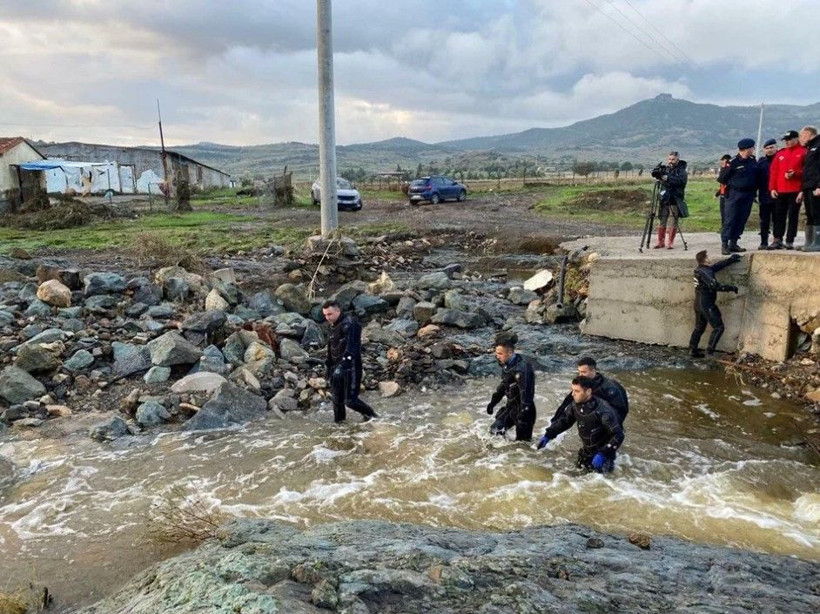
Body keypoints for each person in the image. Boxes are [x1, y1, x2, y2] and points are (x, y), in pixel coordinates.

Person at [537, 376, 625, 473]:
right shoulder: (574, 406)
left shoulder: (604, 411)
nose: (573, 394)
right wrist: (548, 435)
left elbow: (618, 435)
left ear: (588, 392)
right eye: (572, 390)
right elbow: (564, 422)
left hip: (604, 457)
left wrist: (603, 453)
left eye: (577, 391)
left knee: (600, 481)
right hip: (586, 453)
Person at [322, 300, 378, 423]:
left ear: (338, 310)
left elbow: (353, 347)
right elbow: (331, 347)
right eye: (325, 315)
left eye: (329, 314)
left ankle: (374, 417)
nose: (327, 318)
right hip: (336, 366)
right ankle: (340, 427)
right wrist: (329, 365)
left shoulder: (351, 323)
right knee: (337, 401)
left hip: (351, 367)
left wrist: (343, 365)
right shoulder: (332, 326)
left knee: (350, 401)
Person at [688, 250, 741, 358]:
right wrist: (730, 288)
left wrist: (730, 260)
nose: (710, 257)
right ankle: (709, 352)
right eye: (708, 256)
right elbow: (714, 285)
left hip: (698, 303)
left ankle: (692, 350)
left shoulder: (699, 270)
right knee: (719, 327)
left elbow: (716, 267)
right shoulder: (706, 272)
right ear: (705, 259)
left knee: (699, 327)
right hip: (707, 304)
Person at [486, 331, 536, 441]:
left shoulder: (523, 368)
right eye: (496, 353)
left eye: (500, 354)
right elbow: (503, 386)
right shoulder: (507, 365)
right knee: (494, 431)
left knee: (523, 446)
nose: (497, 356)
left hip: (525, 412)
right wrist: (492, 403)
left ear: (510, 352)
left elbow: (527, 394)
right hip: (511, 408)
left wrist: (524, 413)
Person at [549, 356, 628, 426]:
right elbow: (566, 404)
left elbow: (621, 410)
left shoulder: (610, 387)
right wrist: (554, 421)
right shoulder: (581, 384)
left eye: (583, 372)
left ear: (593, 371)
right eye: (579, 372)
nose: (580, 375)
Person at [719, 138, 758, 254]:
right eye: (752, 148)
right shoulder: (733, 162)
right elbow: (722, 178)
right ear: (745, 149)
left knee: (741, 219)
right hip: (734, 194)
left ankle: (734, 243)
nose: (753, 149)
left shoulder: (752, 160)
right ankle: (725, 244)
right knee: (730, 219)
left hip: (748, 194)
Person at [769, 130, 806, 250]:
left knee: (793, 215)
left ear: (796, 139)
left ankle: (790, 240)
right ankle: (777, 239)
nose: (787, 142)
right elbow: (774, 172)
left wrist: (796, 174)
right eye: (786, 140)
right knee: (779, 215)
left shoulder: (803, 152)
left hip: (795, 190)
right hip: (780, 190)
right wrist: (772, 188)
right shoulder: (780, 153)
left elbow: (807, 171)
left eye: (789, 139)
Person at [652, 151, 688, 249]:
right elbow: (662, 180)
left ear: (677, 160)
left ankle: (670, 242)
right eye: (669, 159)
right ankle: (660, 242)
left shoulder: (682, 171)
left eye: (673, 159)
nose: (671, 161)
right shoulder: (666, 169)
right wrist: (660, 177)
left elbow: (681, 182)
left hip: (675, 199)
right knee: (662, 220)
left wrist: (668, 178)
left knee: (673, 221)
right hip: (665, 199)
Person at [797, 125, 820, 251]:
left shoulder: (818, 145)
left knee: (817, 214)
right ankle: (809, 242)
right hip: (807, 186)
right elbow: (807, 170)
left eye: (802, 135)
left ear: (809, 134)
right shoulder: (810, 148)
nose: (800, 138)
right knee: (810, 214)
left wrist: (819, 186)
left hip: (815, 186)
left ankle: (817, 243)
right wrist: (802, 189)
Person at [756, 139, 778, 249]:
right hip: (764, 196)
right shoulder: (761, 162)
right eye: (767, 148)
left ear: (776, 147)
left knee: (777, 220)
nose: (769, 150)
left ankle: (777, 241)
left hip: (778, 195)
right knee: (764, 220)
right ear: (764, 150)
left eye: (771, 147)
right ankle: (763, 242)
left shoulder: (780, 160)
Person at [715, 154, 732, 230]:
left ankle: (727, 228)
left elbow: (722, 180)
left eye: (722, 161)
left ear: (725, 160)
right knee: (723, 213)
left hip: (728, 195)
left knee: (727, 213)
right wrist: (717, 194)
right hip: (722, 194)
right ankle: (724, 228)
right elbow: (722, 184)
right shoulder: (723, 169)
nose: (721, 163)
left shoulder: (728, 169)